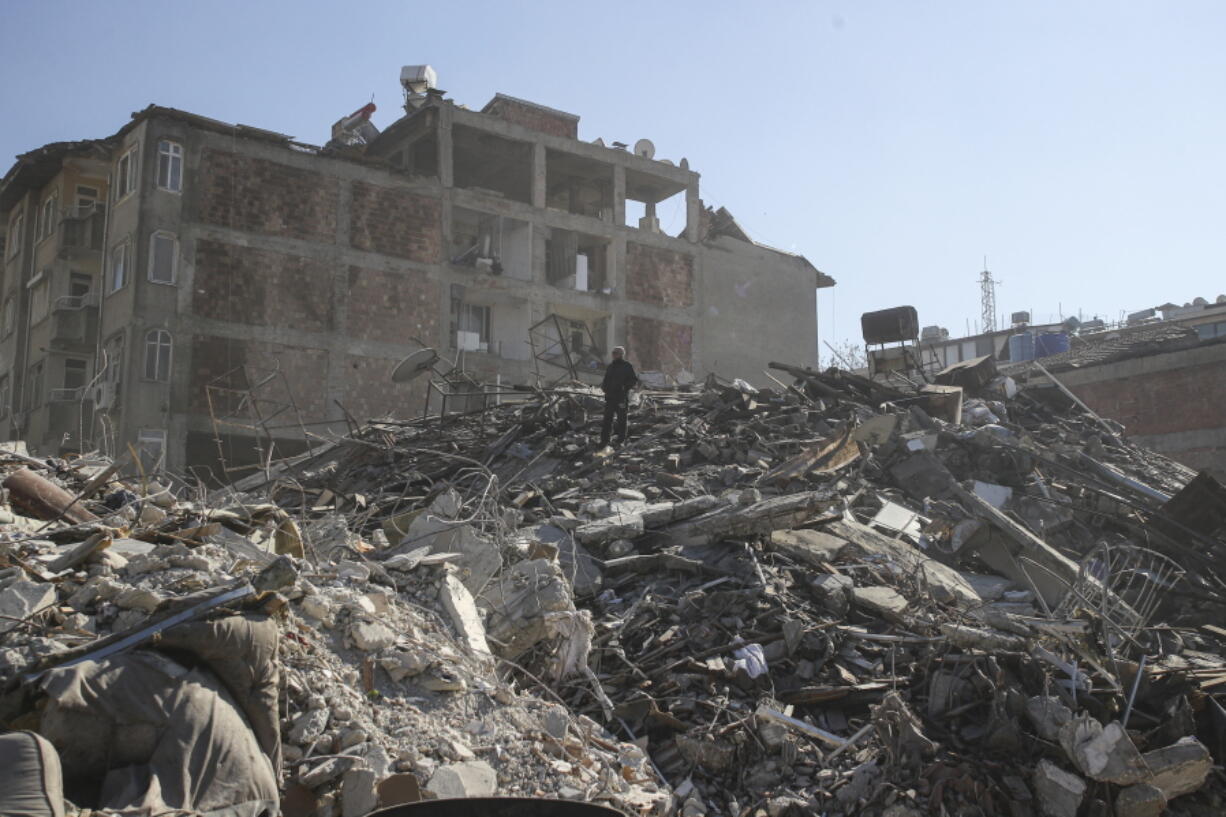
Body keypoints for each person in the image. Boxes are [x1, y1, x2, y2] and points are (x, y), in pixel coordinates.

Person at [600, 346, 638, 447]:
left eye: (616, 353)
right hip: (610, 398)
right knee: (607, 419)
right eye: (613, 353)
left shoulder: (627, 366)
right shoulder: (611, 366)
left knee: (622, 419)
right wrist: (604, 387)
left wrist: (624, 387)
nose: (613, 354)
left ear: (621, 354)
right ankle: (605, 440)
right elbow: (606, 379)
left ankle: (621, 440)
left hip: (621, 398)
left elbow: (633, 380)